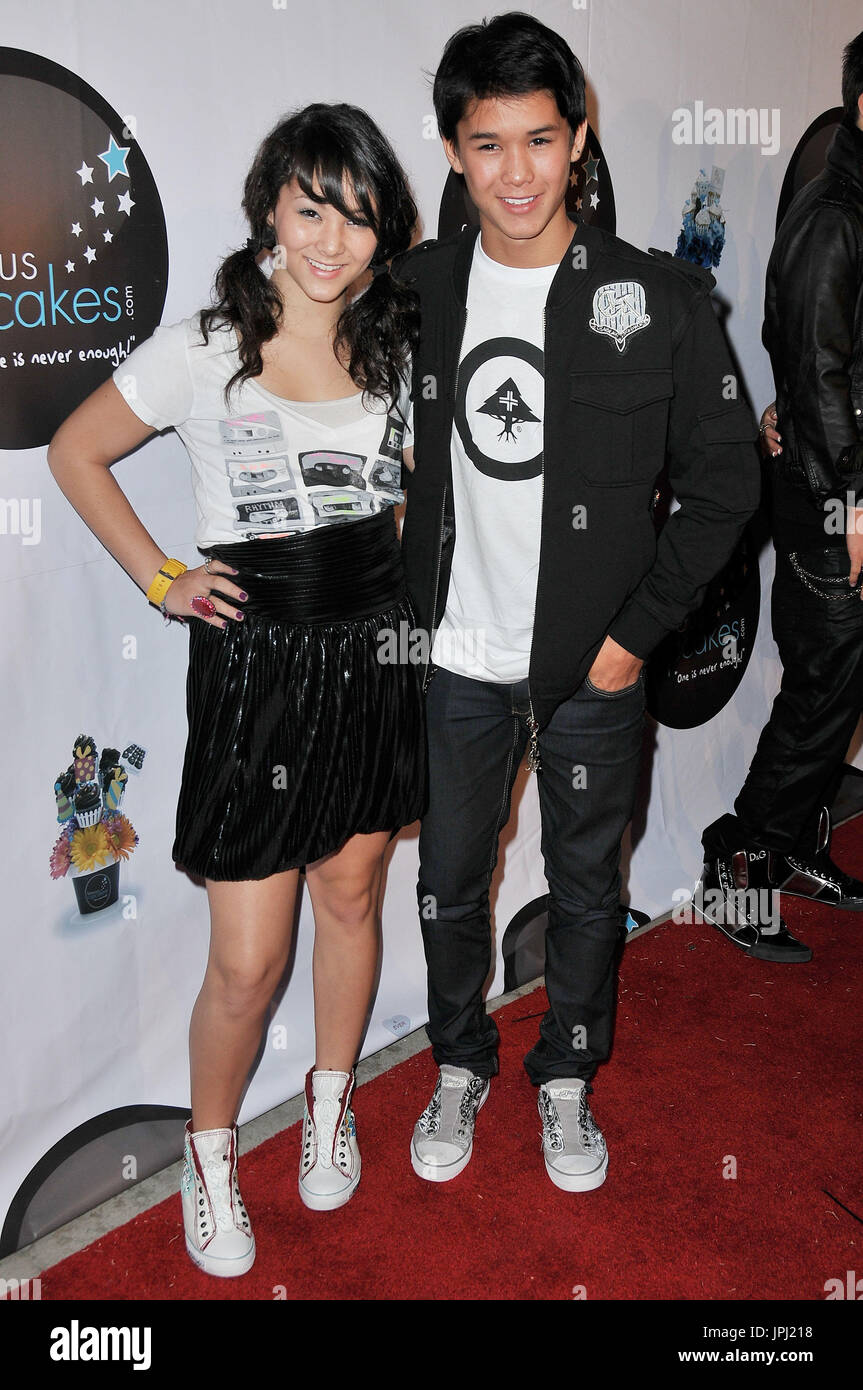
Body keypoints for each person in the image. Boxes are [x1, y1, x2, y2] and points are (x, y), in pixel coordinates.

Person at [47, 104, 424, 1275]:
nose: (330, 241)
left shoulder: (399, 342)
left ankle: (326, 1099)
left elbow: (409, 499)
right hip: (258, 666)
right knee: (248, 960)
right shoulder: (205, 345)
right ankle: (210, 1158)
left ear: (383, 233)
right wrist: (162, 576)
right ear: (270, 206)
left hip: (373, 649)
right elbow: (75, 450)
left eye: (356, 219)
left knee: (354, 897)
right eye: (311, 209)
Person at [393, 12, 761, 1192]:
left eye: (539, 140)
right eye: (486, 144)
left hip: (591, 672)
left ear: (578, 136)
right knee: (449, 881)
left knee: (587, 887)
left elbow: (725, 488)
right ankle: (459, 1059)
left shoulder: (653, 299)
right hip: (454, 659)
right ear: (453, 150)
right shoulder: (411, 292)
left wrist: (624, 647)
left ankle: (564, 1075)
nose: (515, 173)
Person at [699, 32, 863, 963]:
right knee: (823, 686)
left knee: (844, 686)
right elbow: (809, 359)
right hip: (830, 493)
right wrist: (850, 496)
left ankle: (794, 844)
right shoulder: (836, 212)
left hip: (840, 476)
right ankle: (742, 858)